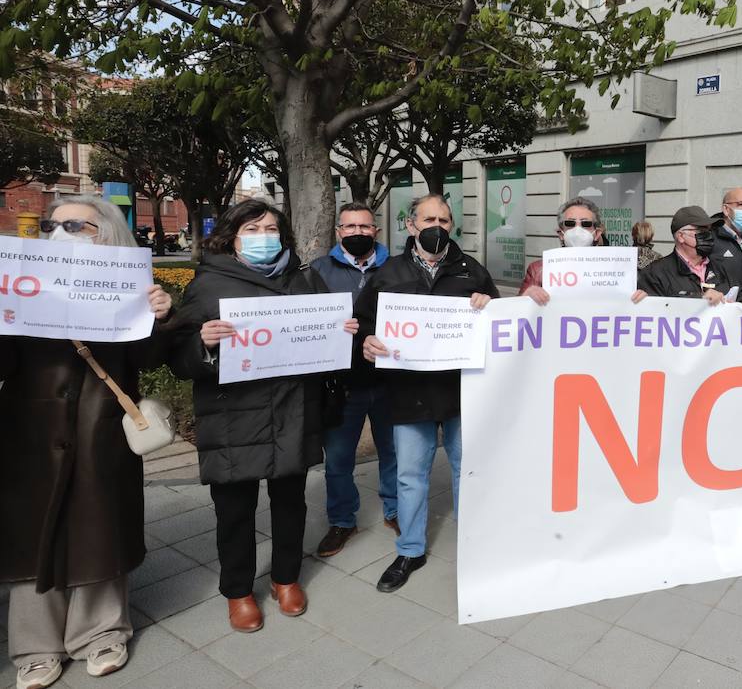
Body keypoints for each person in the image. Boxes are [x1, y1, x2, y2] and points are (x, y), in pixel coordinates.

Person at [1, 196, 174, 687]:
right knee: (31, 533)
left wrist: (159, 315)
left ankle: (101, 631)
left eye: (76, 225)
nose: (62, 231)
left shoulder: (130, 285)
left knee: (100, 525)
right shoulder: (21, 283)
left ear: (106, 233)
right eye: (54, 225)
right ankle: (35, 645)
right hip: (31, 430)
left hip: (101, 430)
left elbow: (148, 359)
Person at [170, 199, 358, 632]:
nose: (263, 237)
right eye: (252, 230)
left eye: (271, 229)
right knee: (234, 511)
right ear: (232, 237)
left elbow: (326, 346)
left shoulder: (305, 280)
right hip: (233, 417)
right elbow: (179, 359)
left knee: (291, 502)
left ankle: (285, 578)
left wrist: (342, 333)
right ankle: (238, 592)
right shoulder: (209, 285)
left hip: (293, 411)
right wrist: (204, 343)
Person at [355, 194, 498, 593]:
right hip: (409, 391)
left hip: (461, 390)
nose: (436, 225)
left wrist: (489, 306)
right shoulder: (388, 273)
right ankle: (410, 549)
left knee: (465, 469)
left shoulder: (472, 271)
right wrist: (367, 342)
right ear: (411, 225)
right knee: (410, 475)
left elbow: (501, 325)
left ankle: (475, 540)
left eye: (444, 219)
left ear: (452, 226)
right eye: (428, 218)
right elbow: (364, 323)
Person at [310, 202, 398, 558]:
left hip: (390, 379)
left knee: (394, 452)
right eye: (350, 227)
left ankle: (394, 511)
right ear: (338, 232)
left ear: (376, 231)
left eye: (365, 227)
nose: (358, 232)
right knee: (338, 459)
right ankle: (342, 520)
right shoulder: (318, 271)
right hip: (342, 383)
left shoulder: (397, 267)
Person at [638, 206, 730, 301]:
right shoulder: (655, 273)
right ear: (681, 236)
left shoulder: (720, 268)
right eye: (701, 230)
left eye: (710, 230)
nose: (708, 235)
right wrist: (698, 298)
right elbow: (654, 309)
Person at [518, 197, 605, 295]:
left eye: (586, 223)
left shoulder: (614, 268)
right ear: (561, 234)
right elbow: (515, 309)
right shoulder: (538, 270)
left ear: (597, 234)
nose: (577, 230)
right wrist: (526, 297)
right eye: (570, 223)